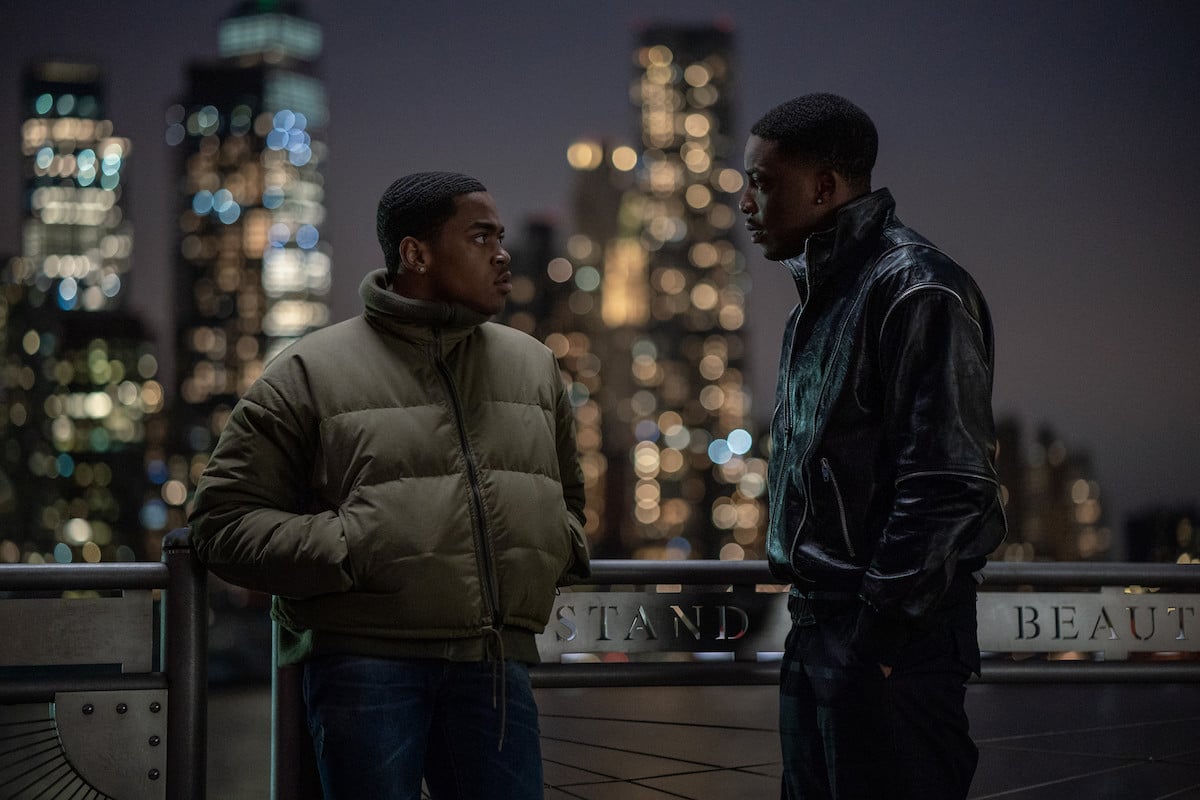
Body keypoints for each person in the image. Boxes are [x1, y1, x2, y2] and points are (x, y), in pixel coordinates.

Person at [189, 171, 590, 800]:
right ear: (415, 253)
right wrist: (354, 547)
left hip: (495, 669)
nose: (502, 253)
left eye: (501, 237)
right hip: (366, 668)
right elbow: (220, 524)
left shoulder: (533, 366)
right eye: (480, 236)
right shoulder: (309, 371)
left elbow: (570, 503)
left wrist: (554, 547)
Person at [740, 94, 1007, 799]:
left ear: (825, 187)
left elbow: (949, 480)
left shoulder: (918, 288)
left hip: (889, 640)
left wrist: (880, 643)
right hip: (821, 628)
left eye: (761, 183)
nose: (743, 204)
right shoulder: (824, 298)